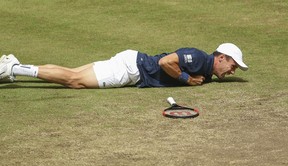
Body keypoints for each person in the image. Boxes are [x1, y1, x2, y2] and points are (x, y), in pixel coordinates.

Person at [0, 43, 248, 89]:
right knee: (74, 81)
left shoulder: (207, 69)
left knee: (73, 74)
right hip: (131, 70)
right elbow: (165, 62)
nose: (233, 70)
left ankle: (15, 67)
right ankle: (13, 69)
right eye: (233, 65)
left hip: (132, 64)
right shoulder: (200, 58)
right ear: (221, 57)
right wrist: (186, 79)